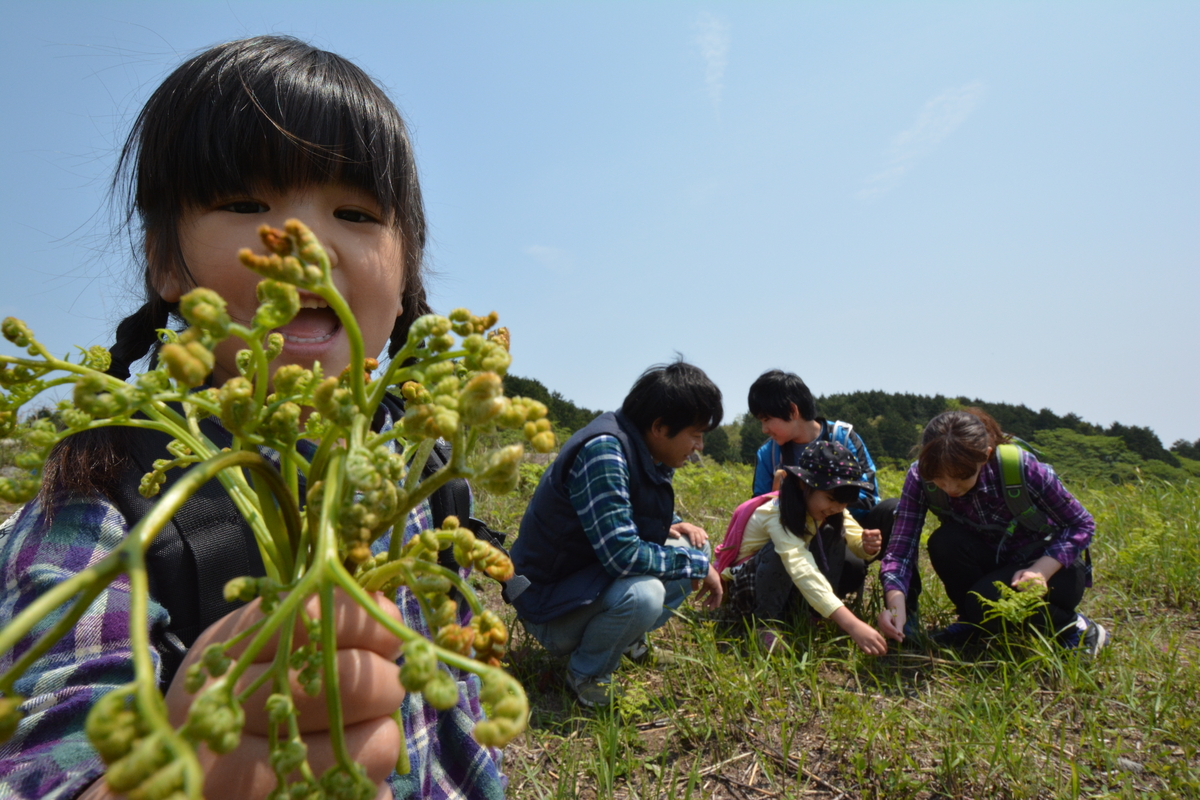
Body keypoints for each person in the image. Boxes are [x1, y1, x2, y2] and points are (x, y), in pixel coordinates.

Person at [0, 36, 505, 800]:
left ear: (406, 276)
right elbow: (48, 743)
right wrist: (183, 774)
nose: (306, 243)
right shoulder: (109, 488)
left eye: (356, 213)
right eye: (246, 205)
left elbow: (455, 719)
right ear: (166, 265)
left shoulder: (418, 463)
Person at [509, 361, 725, 708]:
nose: (699, 445)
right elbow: (622, 554)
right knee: (645, 593)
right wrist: (699, 566)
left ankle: (624, 641)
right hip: (547, 606)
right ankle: (586, 675)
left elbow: (628, 508)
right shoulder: (605, 452)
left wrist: (673, 524)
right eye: (695, 434)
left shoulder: (643, 448)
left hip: (582, 581)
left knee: (688, 545)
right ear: (659, 427)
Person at [877, 409, 1107, 654]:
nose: (950, 488)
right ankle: (974, 623)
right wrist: (895, 604)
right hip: (994, 566)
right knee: (944, 542)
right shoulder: (919, 477)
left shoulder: (1020, 469)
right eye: (938, 480)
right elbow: (900, 549)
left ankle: (1075, 628)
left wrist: (1040, 570)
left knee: (983, 599)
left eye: (961, 477)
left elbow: (1081, 524)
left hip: (1052, 571)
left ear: (985, 456)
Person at [746, 370, 920, 630]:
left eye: (767, 419)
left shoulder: (843, 437)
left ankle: (906, 612)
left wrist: (835, 508)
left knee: (893, 510)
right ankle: (803, 611)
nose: (764, 429)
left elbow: (869, 495)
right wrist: (789, 497)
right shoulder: (768, 454)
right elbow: (759, 505)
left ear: (792, 411)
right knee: (834, 559)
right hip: (795, 535)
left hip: (848, 528)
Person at [721, 442, 889, 655]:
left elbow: (855, 539)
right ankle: (765, 623)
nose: (837, 508)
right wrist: (851, 623)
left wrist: (867, 546)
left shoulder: (831, 511)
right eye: (830, 498)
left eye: (843, 503)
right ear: (803, 484)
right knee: (779, 551)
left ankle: (813, 615)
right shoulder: (776, 514)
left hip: (787, 588)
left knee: (832, 532)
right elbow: (800, 566)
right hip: (750, 591)